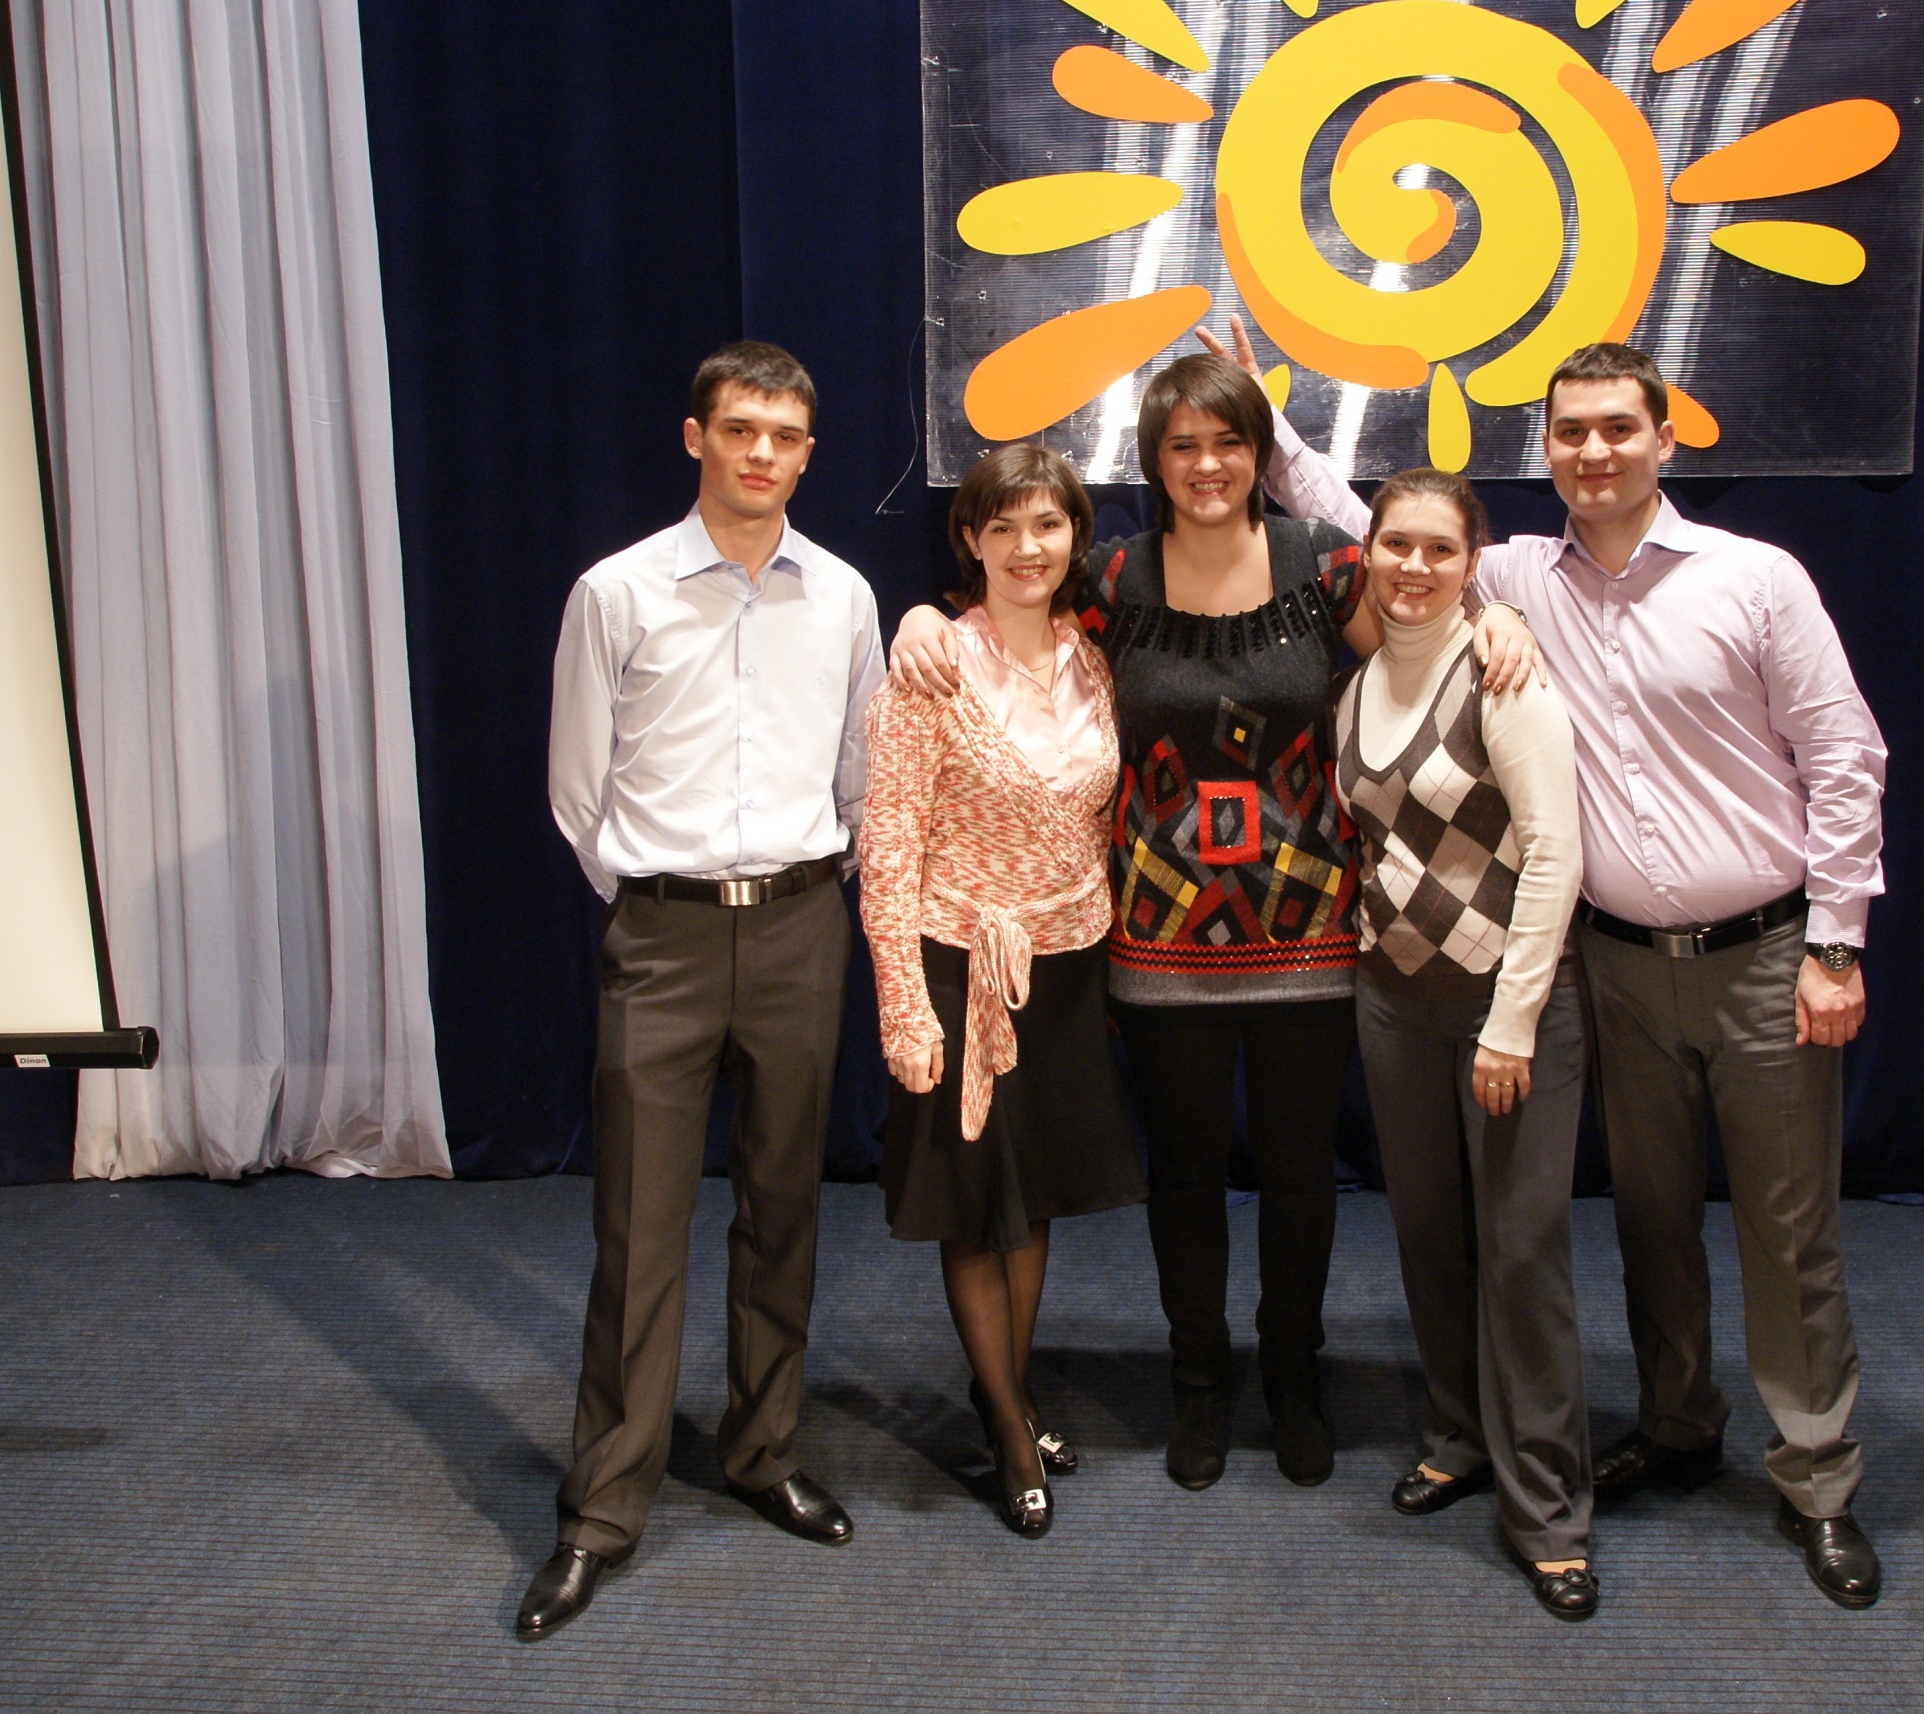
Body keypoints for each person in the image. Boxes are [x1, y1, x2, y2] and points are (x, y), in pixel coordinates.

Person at [1223, 319, 1890, 1610]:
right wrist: (1272, 425)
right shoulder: (1517, 577)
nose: (1593, 451)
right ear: (1546, 446)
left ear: (1664, 437)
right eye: (1571, 431)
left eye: (1617, 428)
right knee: (1650, 1221)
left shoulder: (1755, 579)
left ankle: (1818, 1479)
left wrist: (1835, 941)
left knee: (1787, 1231)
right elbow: (1376, 529)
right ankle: (1679, 1423)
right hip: (1615, 964)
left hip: (1763, 956)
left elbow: (1844, 756)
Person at [888, 355, 1542, 1492]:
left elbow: (1423, 611)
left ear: (1258, 453)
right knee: (1186, 1178)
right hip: (1157, 950)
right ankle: (1199, 1382)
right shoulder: (1111, 578)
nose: (1206, 465)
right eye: (1182, 446)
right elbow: (1005, 622)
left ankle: (1292, 1377)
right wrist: (916, 617)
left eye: (1228, 442)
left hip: (1310, 941)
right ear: (1153, 460)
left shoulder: (1323, 565)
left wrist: (1503, 620)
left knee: (1298, 1177)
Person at [520, 341, 886, 1639]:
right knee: (640, 1225)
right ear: (696, 438)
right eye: (740, 429)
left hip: (800, 928)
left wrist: (809, 892)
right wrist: (655, 898)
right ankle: (602, 1506)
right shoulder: (616, 591)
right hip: (664, 939)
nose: (761, 454)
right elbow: (578, 789)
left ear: (807, 452)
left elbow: (862, 775)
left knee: (784, 1206)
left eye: (784, 435)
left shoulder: (843, 597)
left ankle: (762, 1450)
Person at [858, 444, 1146, 1537]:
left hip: (1066, 970)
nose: (1028, 547)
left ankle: (1010, 1395)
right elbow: (888, 847)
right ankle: (1012, 1433)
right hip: (956, 962)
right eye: (1004, 526)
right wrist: (903, 1002)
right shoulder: (931, 670)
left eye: (1048, 524)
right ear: (970, 541)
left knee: (1034, 1197)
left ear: (1076, 537)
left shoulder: (1092, 660)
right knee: (976, 1206)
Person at [1334, 467, 1595, 1621]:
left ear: (1471, 562)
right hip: (1395, 1006)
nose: (1414, 566)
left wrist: (1512, 1023)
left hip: (1507, 1015)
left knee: (1520, 1256)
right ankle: (1457, 1435)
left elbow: (1555, 856)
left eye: (1439, 549)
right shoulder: (1355, 690)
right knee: (1430, 1236)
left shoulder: (1502, 675)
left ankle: (1549, 1511)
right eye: (1396, 543)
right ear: (1369, 551)